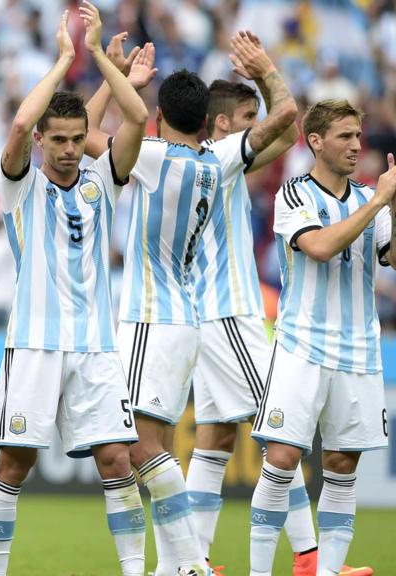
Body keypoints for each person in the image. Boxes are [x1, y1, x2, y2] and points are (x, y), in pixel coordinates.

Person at [83, 33, 295, 576]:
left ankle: (187, 563)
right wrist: (267, 70)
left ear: (156, 114)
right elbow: (288, 115)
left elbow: (80, 135)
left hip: (151, 320)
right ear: (209, 119)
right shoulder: (217, 160)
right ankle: (183, 563)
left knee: (140, 447)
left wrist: (111, 72)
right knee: (150, 444)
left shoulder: (150, 158)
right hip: (187, 320)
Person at [0, 5, 150, 575]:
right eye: (58, 139)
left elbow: (136, 117)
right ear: (42, 141)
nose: (70, 149)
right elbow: (16, 126)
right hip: (33, 341)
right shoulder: (20, 185)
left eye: (78, 139)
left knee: (116, 458)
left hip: (97, 345)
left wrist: (104, 61)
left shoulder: (103, 180)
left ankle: (133, 569)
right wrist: (63, 61)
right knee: (14, 461)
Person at [249, 99, 394, 576]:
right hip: (301, 345)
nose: (357, 145)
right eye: (345, 136)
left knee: (341, 465)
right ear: (315, 141)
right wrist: (377, 203)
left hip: (358, 352)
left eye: (359, 136)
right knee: (283, 456)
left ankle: (327, 573)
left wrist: (391, 204)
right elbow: (319, 246)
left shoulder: (371, 198)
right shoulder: (296, 194)